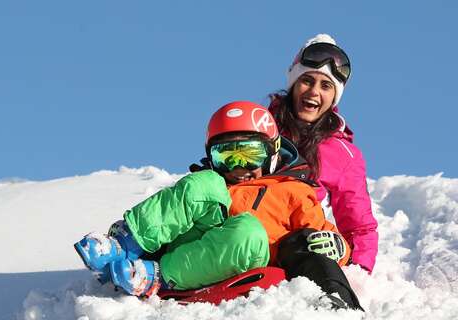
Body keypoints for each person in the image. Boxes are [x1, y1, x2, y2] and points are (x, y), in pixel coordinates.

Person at [75, 101, 363, 310]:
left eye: (250, 154)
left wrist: (339, 246)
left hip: (236, 254)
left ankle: (155, 276)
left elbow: (320, 237)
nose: (239, 167)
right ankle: (125, 243)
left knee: (249, 230)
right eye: (227, 156)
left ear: (273, 153)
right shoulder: (216, 182)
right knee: (204, 184)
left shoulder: (294, 191)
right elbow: (183, 205)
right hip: (190, 241)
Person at [266, 34, 378, 273]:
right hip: (248, 226)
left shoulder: (343, 154)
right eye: (307, 80)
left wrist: (357, 271)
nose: (314, 91)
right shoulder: (262, 126)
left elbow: (359, 226)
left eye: (326, 85)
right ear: (294, 84)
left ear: (334, 96)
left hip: (295, 243)